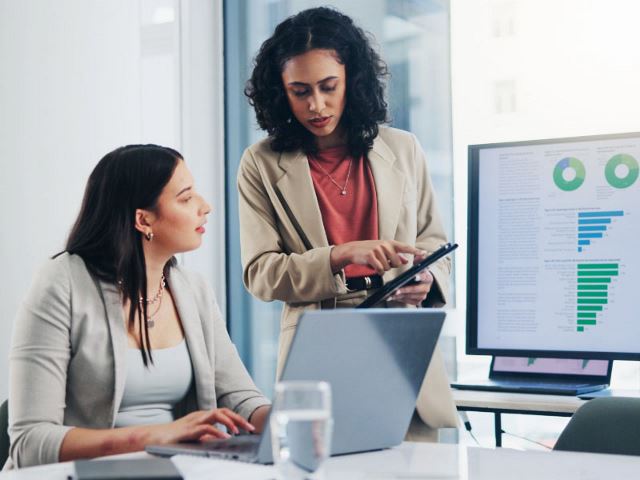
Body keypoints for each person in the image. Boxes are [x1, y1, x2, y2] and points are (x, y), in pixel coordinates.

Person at [237, 7, 458, 439]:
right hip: (319, 344)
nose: (315, 105)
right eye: (299, 91)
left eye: (328, 87)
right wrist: (339, 256)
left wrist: (426, 279)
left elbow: (436, 246)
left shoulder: (403, 149)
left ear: (351, 81)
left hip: (399, 339)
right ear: (280, 93)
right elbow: (260, 274)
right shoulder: (260, 164)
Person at [6, 145, 270, 469]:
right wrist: (158, 436)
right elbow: (29, 442)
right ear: (143, 219)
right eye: (186, 198)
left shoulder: (193, 290)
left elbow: (241, 400)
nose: (206, 207)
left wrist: (292, 416)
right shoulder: (61, 283)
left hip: (172, 471)